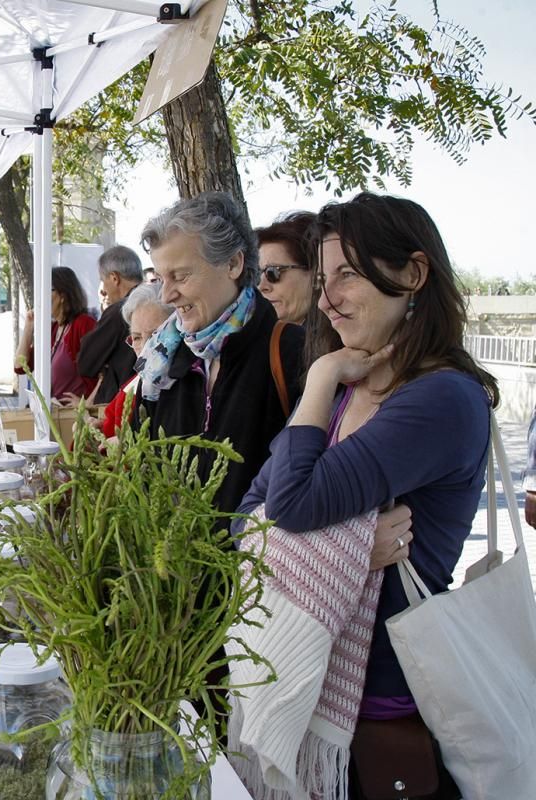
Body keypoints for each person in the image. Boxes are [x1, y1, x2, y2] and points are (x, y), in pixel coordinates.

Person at [238, 192, 495, 798]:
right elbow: (245, 515)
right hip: (313, 678)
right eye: (323, 280)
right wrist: (350, 545)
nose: (327, 300)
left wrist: (320, 377)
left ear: (413, 273)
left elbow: (291, 508)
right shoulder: (352, 388)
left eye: (347, 276)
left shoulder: (440, 400)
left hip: (381, 706)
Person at [140, 191, 305, 518]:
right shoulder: (163, 359)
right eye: (160, 278)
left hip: (255, 563)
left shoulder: (291, 352)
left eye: (180, 276)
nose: (167, 295)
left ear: (233, 263)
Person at [99, 283, 173, 439]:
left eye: (154, 335)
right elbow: (110, 425)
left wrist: (124, 446)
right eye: (137, 338)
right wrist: (97, 431)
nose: (146, 347)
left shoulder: (184, 386)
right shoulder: (135, 382)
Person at [14, 266, 98, 403]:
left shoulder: (84, 324)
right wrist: (29, 326)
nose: (42, 297)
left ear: (63, 295)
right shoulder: (53, 329)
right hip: (54, 413)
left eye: (48, 290)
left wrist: (87, 403)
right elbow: (19, 367)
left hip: (74, 417)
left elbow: (104, 373)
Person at [77, 245, 144, 405]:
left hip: (123, 404)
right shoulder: (158, 302)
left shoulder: (119, 311)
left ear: (114, 278)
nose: (104, 290)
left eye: (103, 280)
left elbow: (86, 363)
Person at [255, 211, 317, 325]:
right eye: (256, 275)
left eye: (272, 272)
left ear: (316, 274)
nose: (261, 287)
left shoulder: (346, 338)